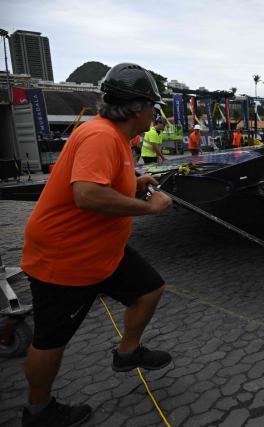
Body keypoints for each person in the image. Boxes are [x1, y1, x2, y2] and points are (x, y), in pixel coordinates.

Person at [20, 62, 173, 427]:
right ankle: (37, 412)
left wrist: (136, 182)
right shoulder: (102, 136)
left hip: (101, 251)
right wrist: (148, 207)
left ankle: (127, 352)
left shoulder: (116, 138)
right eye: (153, 105)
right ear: (137, 107)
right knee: (50, 340)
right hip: (66, 256)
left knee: (150, 289)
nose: (155, 112)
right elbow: (87, 195)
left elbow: (101, 182)